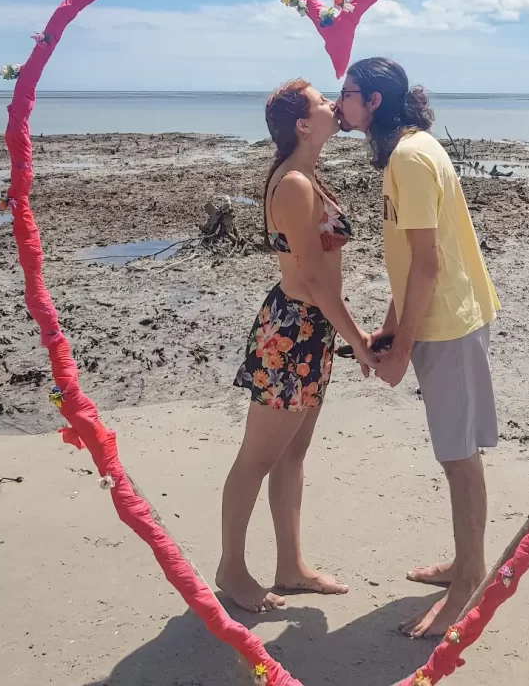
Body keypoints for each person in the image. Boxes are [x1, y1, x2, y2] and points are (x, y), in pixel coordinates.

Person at [337, 57, 500, 639]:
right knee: (455, 450)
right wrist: (390, 327)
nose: (339, 105)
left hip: (447, 325)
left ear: (374, 101)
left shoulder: (409, 157)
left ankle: (469, 578)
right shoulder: (410, 149)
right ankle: (466, 560)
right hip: (441, 316)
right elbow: (408, 262)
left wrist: (401, 350)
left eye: (348, 94)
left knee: (458, 456)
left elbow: (428, 263)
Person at [217, 78, 377, 613]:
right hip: (293, 331)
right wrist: (360, 340)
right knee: (257, 458)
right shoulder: (295, 185)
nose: (333, 103)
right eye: (320, 101)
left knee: (292, 454)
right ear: (303, 124)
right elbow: (311, 280)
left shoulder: (307, 177)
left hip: (311, 328)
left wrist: (345, 335)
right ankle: (232, 568)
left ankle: (290, 565)